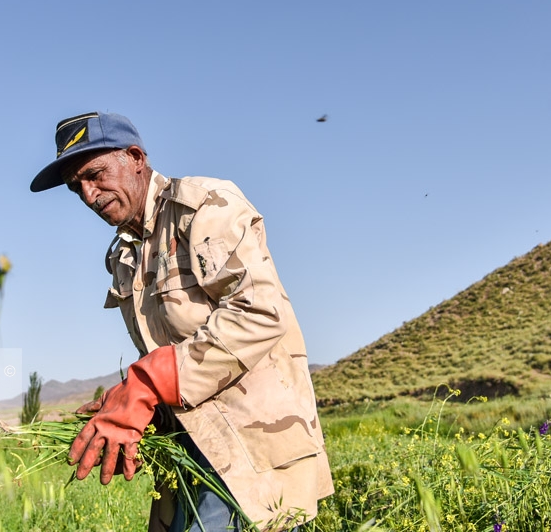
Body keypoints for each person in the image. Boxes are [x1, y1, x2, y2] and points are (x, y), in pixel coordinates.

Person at [31, 112, 333, 532]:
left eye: (95, 175)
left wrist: (146, 383)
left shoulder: (205, 205)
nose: (88, 194)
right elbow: (175, 356)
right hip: (191, 453)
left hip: (249, 448)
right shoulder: (122, 254)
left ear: (136, 158)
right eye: (75, 186)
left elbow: (259, 312)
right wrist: (137, 411)